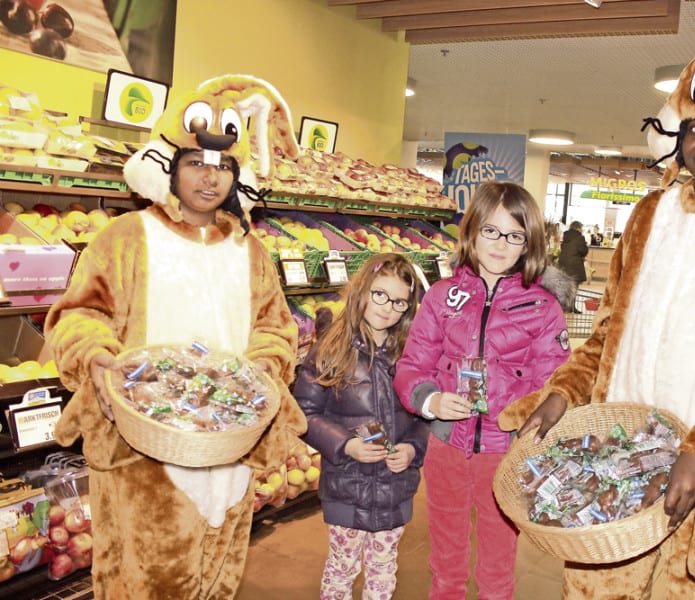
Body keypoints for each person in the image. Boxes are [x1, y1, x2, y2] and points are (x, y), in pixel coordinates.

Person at [498, 11, 695, 599]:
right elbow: (609, 331)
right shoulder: (649, 214)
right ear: (678, 132)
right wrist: (564, 394)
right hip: (619, 463)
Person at [44, 75, 308, 599]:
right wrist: (95, 357)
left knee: (218, 571)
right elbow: (78, 316)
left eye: (223, 167)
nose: (210, 178)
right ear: (168, 165)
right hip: (143, 447)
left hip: (231, 445)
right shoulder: (126, 237)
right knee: (145, 579)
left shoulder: (250, 251)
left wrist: (264, 372)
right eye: (196, 163)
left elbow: (275, 328)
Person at [393, 181, 573, 599]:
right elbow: (411, 367)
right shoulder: (442, 297)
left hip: (505, 454)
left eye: (514, 235)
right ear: (472, 231)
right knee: (446, 560)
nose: (500, 244)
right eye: (491, 230)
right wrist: (431, 401)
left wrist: (525, 420)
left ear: (528, 244)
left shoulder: (543, 308)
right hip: (447, 449)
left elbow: (556, 381)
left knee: (497, 563)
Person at [293, 253, 429, 599]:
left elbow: (424, 417)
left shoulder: (410, 356)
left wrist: (413, 449)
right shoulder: (331, 349)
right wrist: (345, 445)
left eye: (399, 301)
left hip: (394, 488)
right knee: (342, 567)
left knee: (383, 571)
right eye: (380, 294)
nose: (387, 308)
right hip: (346, 486)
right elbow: (304, 413)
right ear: (362, 291)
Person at [557, 220, 589, 288]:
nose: (582, 230)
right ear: (578, 228)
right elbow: (584, 251)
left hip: (563, 265)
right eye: (581, 228)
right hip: (574, 267)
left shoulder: (565, 236)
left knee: (564, 288)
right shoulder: (580, 238)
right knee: (573, 289)